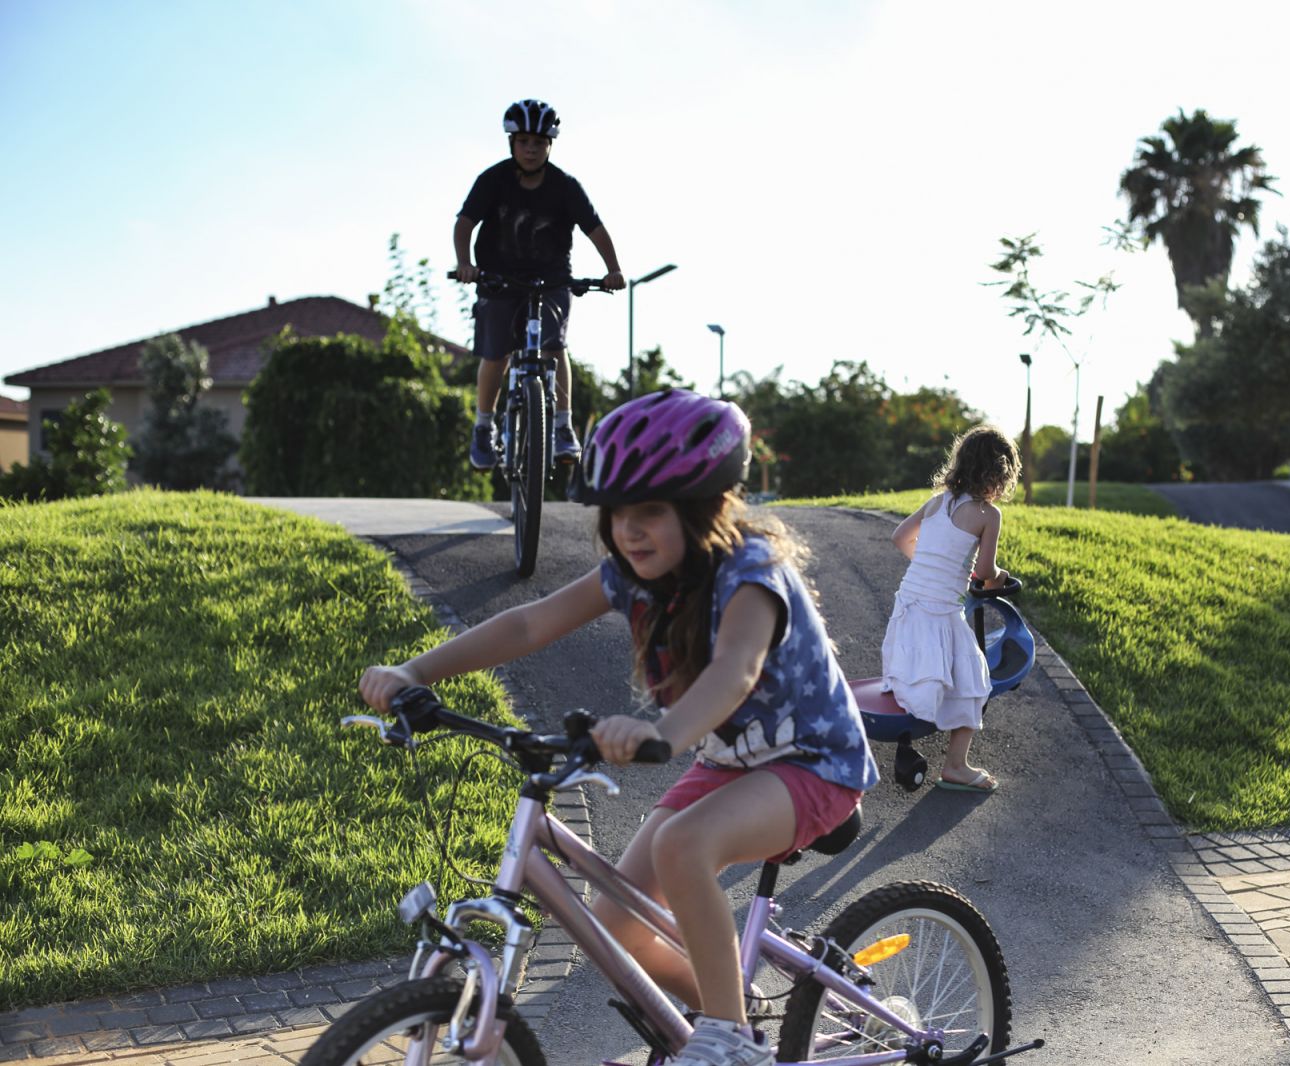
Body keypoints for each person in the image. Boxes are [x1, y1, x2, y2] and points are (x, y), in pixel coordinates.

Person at [359, 389, 878, 1066]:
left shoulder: (753, 575)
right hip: (732, 760)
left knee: (683, 846)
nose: (630, 531)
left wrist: (660, 730)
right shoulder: (630, 575)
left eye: (651, 513)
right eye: (618, 515)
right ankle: (737, 1014)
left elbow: (736, 672)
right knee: (616, 922)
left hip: (814, 763)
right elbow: (529, 623)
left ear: (704, 510)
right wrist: (413, 671)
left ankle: (730, 1041)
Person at [453, 98, 625, 471]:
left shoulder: (565, 186)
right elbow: (465, 223)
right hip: (499, 278)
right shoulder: (493, 180)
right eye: (524, 142)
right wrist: (465, 264)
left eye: (539, 143)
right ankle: (484, 427)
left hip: (552, 280)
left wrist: (614, 269)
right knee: (495, 353)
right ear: (512, 143)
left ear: (550, 145)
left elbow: (595, 229)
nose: (531, 149)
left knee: (554, 345)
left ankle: (562, 426)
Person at [880, 424, 1021, 793]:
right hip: (941, 612)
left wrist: (930, 567)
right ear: (999, 475)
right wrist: (997, 576)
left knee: (924, 673)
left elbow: (900, 536)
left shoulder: (938, 502)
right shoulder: (988, 515)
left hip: (909, 605)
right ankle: (956, 765)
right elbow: (987, 573)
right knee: (977, 681)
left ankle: (918, 728)